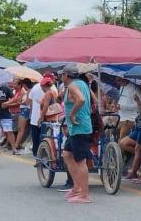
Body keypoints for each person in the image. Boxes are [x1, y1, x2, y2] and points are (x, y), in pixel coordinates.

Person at [60, 65, 93, 204]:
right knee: (67, 155)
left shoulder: (73, 86)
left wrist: (72, 114)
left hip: (79, 127)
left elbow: (81, 99)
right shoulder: (82, 84)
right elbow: (93, 101)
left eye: (62, 75)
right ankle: (77, 187)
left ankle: (84, 194)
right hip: (76, 128)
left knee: (80, 160)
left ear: (66, 75)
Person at [115, 77, 141, 146]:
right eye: (116, 80)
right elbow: (122, 102)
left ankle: (121, 155)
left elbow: (137, 105)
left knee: (121, 140)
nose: (117, 82)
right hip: (120, 118)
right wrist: (116, 106)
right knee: (108, 131)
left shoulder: (134, 88)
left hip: (130, 119)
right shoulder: (121, 87)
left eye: (119, 80)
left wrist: (121, 107)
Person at [27, 76, 47, 158]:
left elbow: (30, 100)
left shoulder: (35, 87)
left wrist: (31, 112)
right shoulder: (52, 89)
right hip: (45, 116)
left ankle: (36, 152)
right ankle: (41, 153)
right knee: (43, 135)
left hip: (36, 116)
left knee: (36, 135)